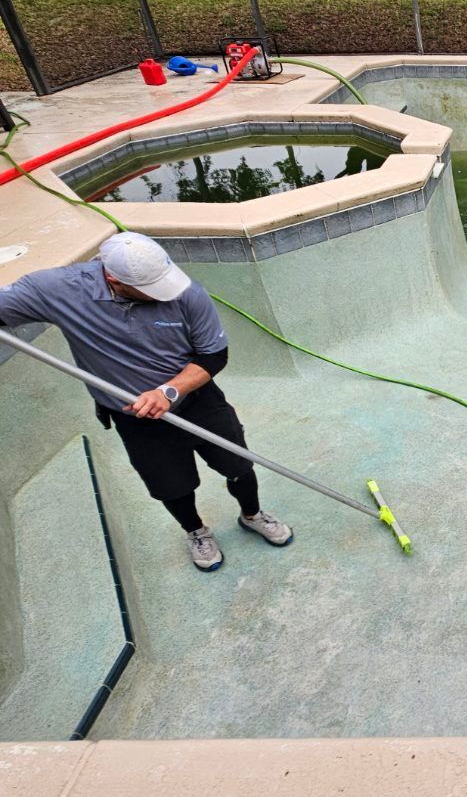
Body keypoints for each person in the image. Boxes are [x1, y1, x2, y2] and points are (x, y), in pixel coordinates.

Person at [0, 232, 293, 572]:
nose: (164, 291)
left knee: (239, 463)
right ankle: (196, 531)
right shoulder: (56, 290)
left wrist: (169, 391)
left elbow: (214, 355)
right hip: (133, 415)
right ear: (114, 279)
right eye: (150, 288)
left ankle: (252, 514)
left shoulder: (187, 294)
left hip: (196, 399)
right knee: (172, 485)